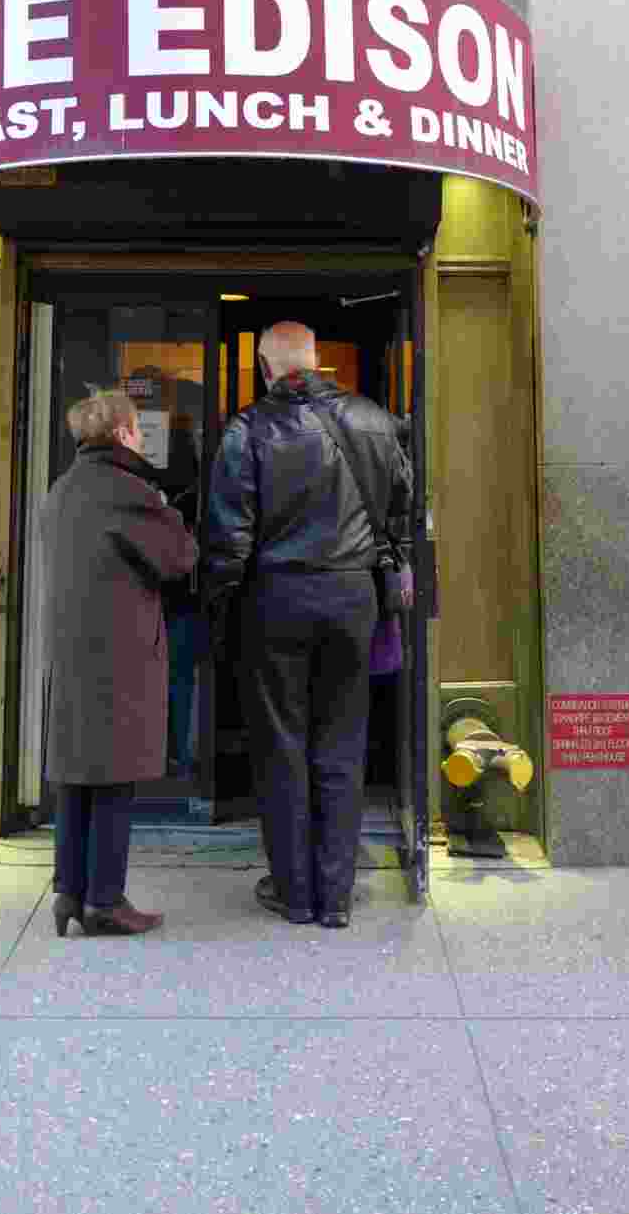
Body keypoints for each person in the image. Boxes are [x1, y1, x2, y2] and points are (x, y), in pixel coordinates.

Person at [202, 321, 412, 928]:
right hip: (352, 597)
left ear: (267, 368)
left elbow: (228, 535)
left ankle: (295, 892)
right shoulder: (374, 419)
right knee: (343, 743)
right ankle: (336, 894)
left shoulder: (249, 429)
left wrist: (221, 613)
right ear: (316, 362)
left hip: (278, 598)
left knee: (282, 744)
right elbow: (400, 507)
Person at [39, 387, 197, 936]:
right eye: (137, 429)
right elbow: (178, 559)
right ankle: (105, 898)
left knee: (76, 776)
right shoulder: (127, 491)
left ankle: (69, 891)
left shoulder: (62, 489)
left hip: (72, 651)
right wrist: (172, 515)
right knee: (113, 776)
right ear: (124, 433)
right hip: (119, 654)